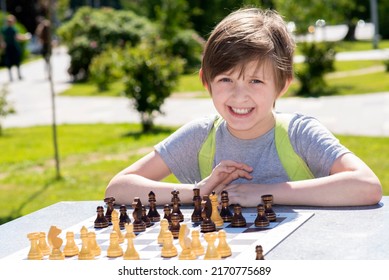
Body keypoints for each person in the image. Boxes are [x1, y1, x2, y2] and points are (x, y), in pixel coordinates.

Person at [105, 7, 382, 207]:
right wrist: (198, 191)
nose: (240, 95)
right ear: (206, 81)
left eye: (256, 81)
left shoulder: (300, 133)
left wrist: (266, 193)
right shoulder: (201, 135)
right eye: (226, 79)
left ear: (282, 85)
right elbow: (117, 189)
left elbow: (366, 186)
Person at [0, 15, 30, 82]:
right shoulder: (13, 29)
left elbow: (1, 38)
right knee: (16, 61)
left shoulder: (4, 29)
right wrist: (25, 37)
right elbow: (17, 37)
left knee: (10, 62)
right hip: (13, 47)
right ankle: (17, 76)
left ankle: (12, 77)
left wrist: (2, 43)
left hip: (8, 47)